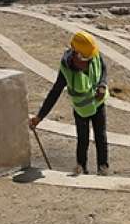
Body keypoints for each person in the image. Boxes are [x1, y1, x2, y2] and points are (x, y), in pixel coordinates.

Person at [28, 30, 110, 176]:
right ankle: (81, 169)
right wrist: (40, 116)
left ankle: (103, 169)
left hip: (99, 104)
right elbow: (55, 92)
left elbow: (102, 67)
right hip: (81, 111)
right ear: (76, 55)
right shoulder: (67, 69)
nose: (90, 61)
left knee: (101, 137)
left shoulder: (92, 53)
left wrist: (102, 84)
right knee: (82, 139)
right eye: (86, 60)